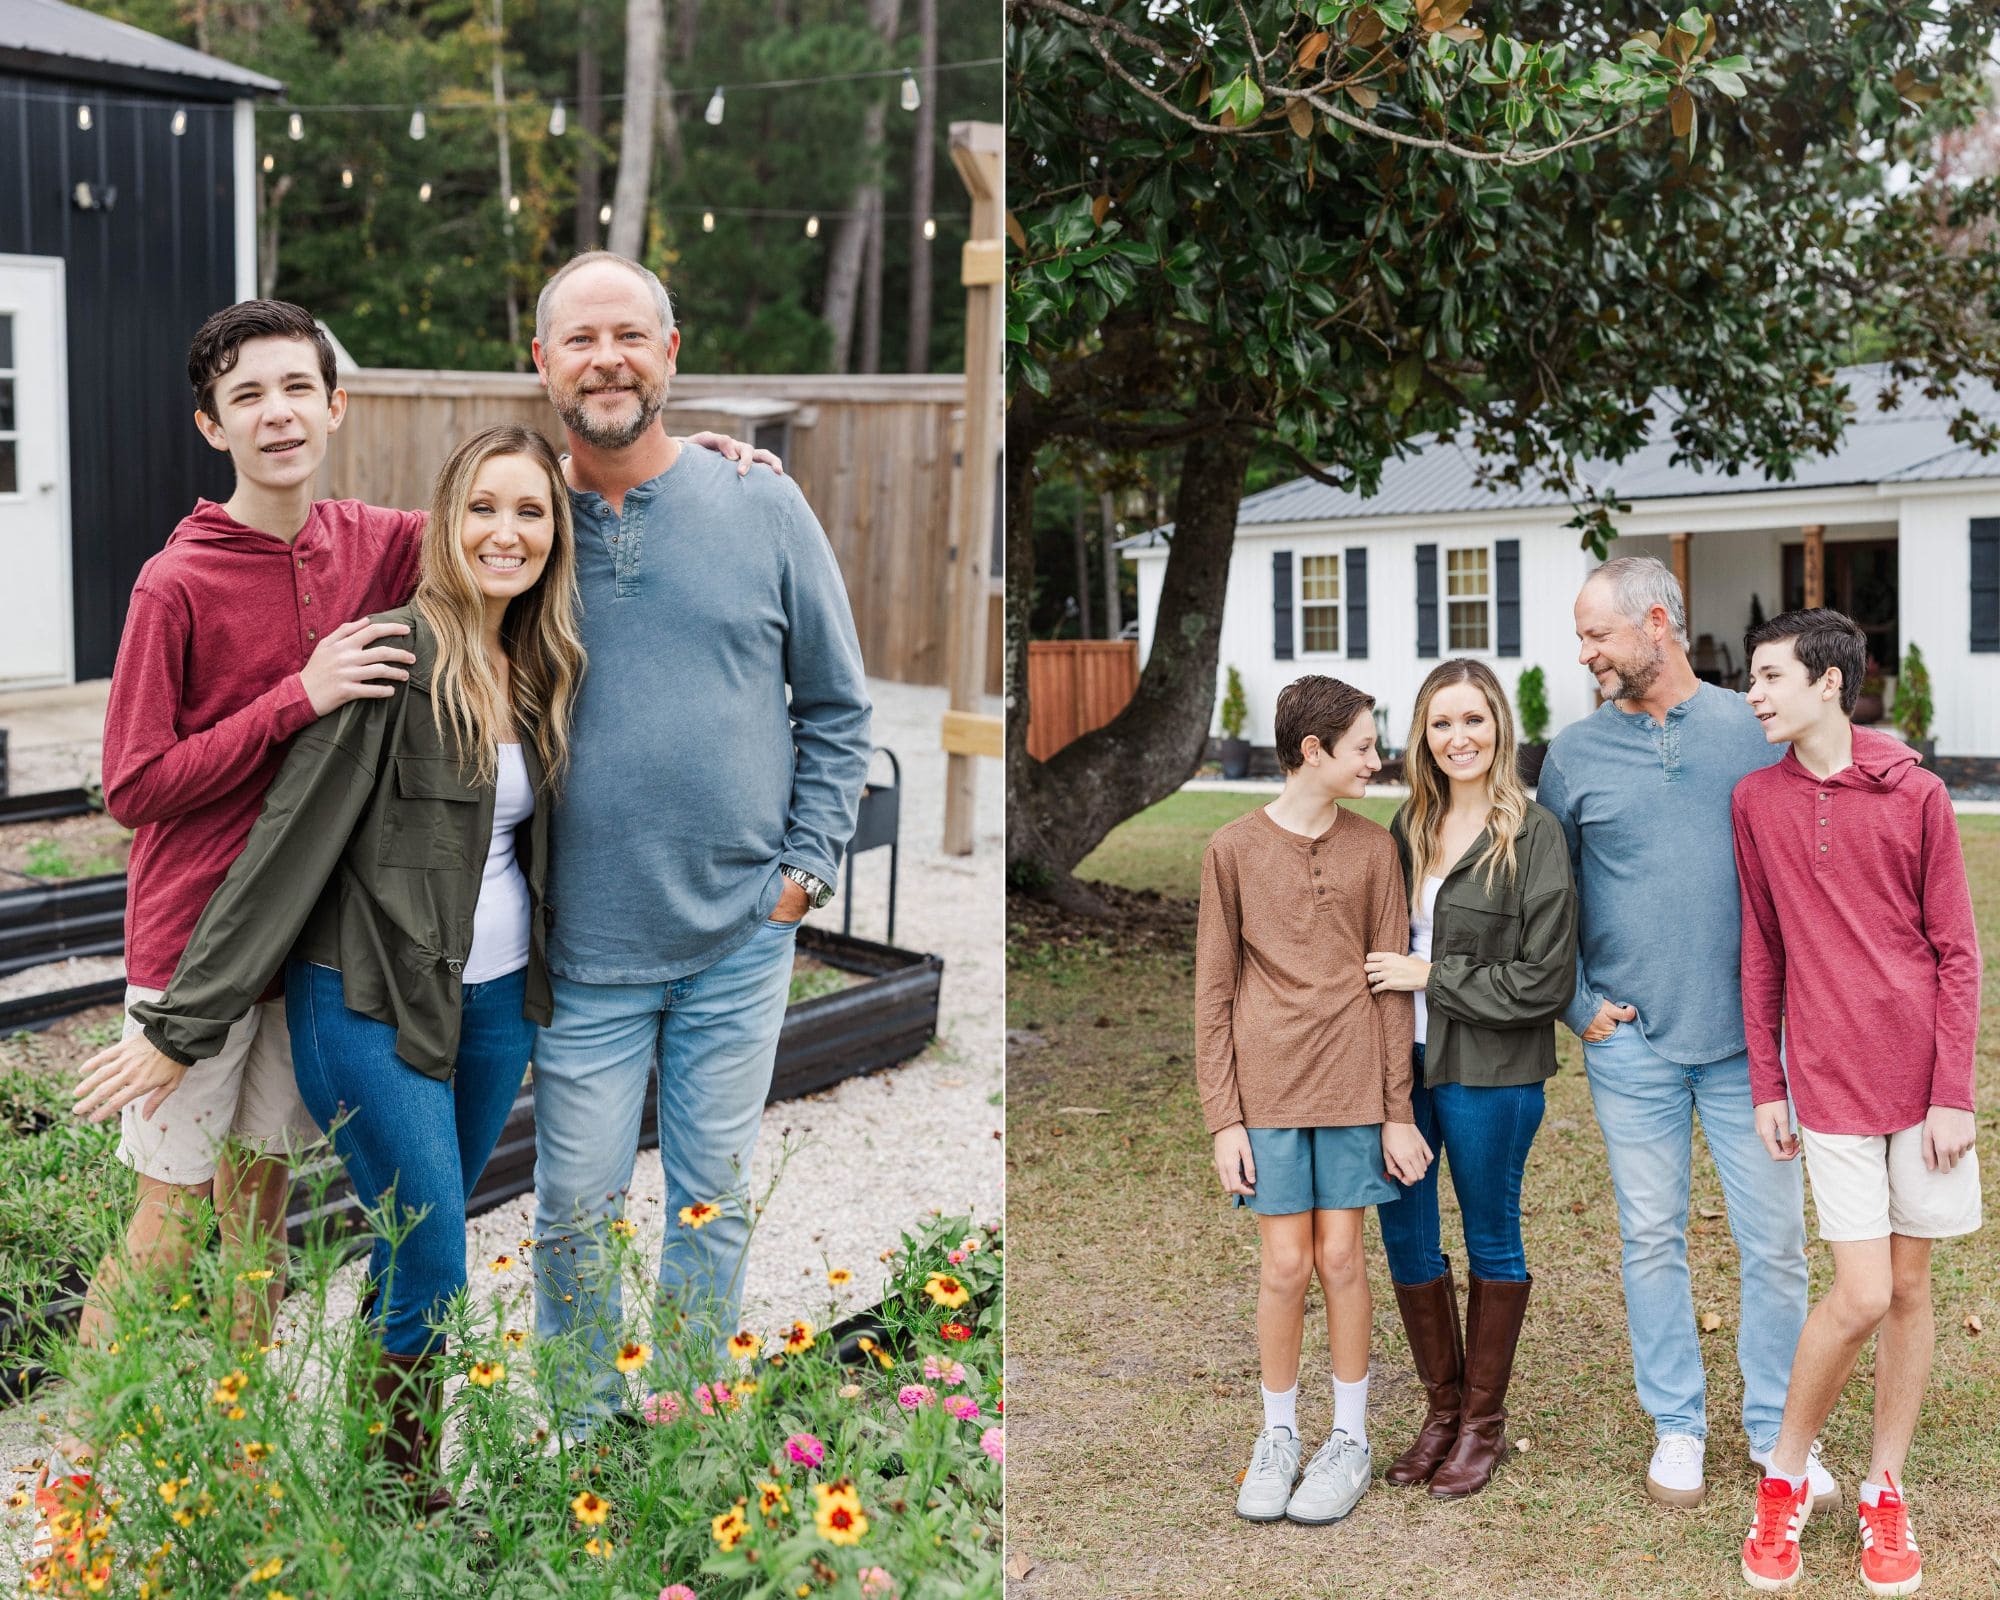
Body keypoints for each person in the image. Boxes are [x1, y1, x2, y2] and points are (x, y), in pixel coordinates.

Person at [38, 297, 770, 1542]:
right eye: (247, 396)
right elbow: (136, 786)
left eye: (297, 391)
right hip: (210, 937)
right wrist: (296, 696)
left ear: (336, 408)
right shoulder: (194, 586)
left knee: (260, 1228)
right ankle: (79, 1468)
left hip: (391, 966)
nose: (277, 414)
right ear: (211, 423)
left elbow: (524, 500)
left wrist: (688, 459)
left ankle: (245, 1454)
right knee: (173, 1225)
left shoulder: (382, 552)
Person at [74, 423, 585, 1507]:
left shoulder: (542, 663)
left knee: (417, 1246)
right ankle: (392, 1489)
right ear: (444, 525)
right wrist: (183, 1025)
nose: (506, 531)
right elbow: (282, 855)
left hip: (496, 1005)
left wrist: (716, 446)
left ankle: (378, 1467)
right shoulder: (392, 658)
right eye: (482, 509)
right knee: (434, 1248)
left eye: (530, 511)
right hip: (365, 995)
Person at [522, 251, 872, 1431]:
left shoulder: (761, 502)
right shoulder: (513, 526)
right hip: (579, 949)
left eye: (629, 334)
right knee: (573, 1204)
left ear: (670, 355)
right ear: (541, 364)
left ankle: (680, 1421)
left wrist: (802, 872)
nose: (605, 357)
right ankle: (577, 1434)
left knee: (711, 1198)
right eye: (579, 339)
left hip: (739, 936)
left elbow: (835, 705)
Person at [1536, 555, 1833, 1510]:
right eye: (1583, 637)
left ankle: (1776, 1428)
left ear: (1656, 623)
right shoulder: (1575, 754)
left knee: (1777, 1244)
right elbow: (1552, 897)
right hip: (1633, 1045)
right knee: (1650, 1238)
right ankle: (1678, 1426)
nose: (1585, 654)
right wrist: (1579, 1003)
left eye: (1597, 635)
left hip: (1755, 1047)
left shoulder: (1752, 730)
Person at [1732, 608, 1980, 1597]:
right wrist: (1766, 1079)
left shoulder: (1914, 792)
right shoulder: (1754, 800)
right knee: (1862, 1292)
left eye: (1766, 675)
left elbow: (1956, 950)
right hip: (1825, 1083)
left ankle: (1884, 1486)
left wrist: (1953, 1092)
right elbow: (1759, 946)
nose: (1751, 692)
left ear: (1827, 682)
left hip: (1923, 1094)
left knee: (1911, 1290)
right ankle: (1782, 1475)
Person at [1196, 674, 1431, 1526]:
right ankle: (1278, 1434)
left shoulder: (1375, 851)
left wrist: (1397, 1109)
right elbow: (1213, 992)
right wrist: (1224, 1118)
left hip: (1354, 1087)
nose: (1378, 758)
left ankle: (1351, 1439)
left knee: (1342, 1261)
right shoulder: (1229, 849)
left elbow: (1390, 986)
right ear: (1314, 752)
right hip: (1267, 1094)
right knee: (1285, 1265)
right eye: (1364, 746)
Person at [1362, 659, 1576, 1498]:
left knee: (1492, 1234)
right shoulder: (1403, 828)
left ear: (1500, 728)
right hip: (1399, 1071)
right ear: (1423, 733)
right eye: (1442, 723)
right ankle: (1441, 1413)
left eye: (1474, 720)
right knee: (1406, 1238)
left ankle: (1483, 1426)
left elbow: (1544, 979)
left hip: (1492, 1072)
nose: (1460, 739)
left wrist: (1430, 976)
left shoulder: (1536, 833)